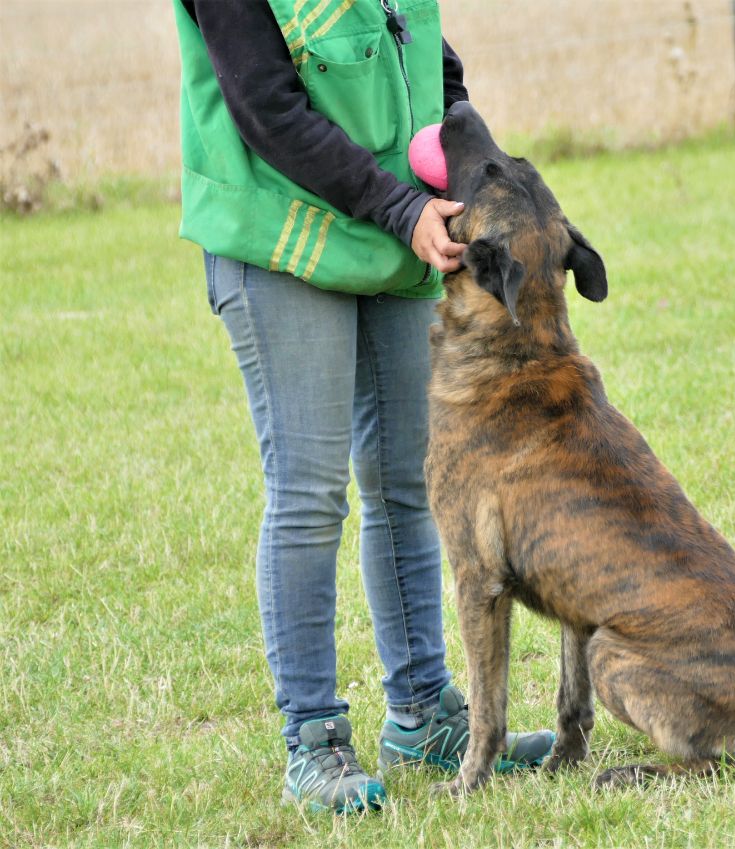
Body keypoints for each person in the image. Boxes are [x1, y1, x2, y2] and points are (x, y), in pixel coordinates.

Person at [173, 0, 554, 814]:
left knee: (407, 481)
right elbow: (265, 105)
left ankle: (424, 713)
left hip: (388, 234)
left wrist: (452, 132)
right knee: (310, 496)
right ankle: (313, 741)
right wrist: (401, 207)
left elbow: (424, 52)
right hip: (278, 233)